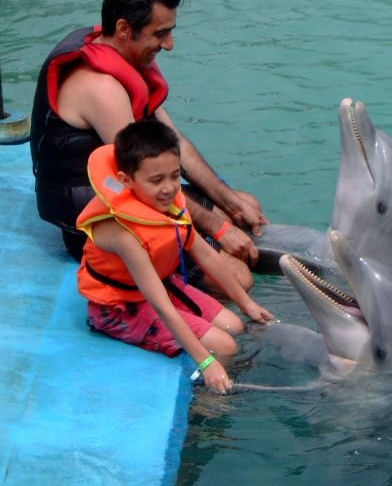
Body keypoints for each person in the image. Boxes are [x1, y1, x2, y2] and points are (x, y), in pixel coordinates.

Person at [30, 0, 265, 289]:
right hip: (97, 220)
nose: (169, 44)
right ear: (124, 29)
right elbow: (143, 179)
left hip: (137, 191)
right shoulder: (101, 88)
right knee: (238, 279)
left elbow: (174, 145)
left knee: (245, 205)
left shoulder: (125, 56)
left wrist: (229, 203)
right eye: (160, 34)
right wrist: (218, 229)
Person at [76, 120, 274, 393]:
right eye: (157, 180)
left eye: (174, 176)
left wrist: (247, 303)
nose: (169, 188)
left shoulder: (169, 204)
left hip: (161, 286)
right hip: (120, 308)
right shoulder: (123, 235)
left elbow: (205, 254)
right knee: (225, 347)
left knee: (235, 325)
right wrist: (206, 363)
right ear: (125, 180)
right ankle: (210, 404)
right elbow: (160, 305)